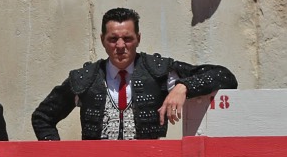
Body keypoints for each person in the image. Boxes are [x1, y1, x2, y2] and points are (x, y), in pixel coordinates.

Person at [32, 7, 238, 140]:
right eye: (113, 39)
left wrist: (184, 87)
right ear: (103, 40)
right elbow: (42, 117)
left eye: (127, 39)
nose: (120, 46)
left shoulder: (158, 71)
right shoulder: (85, 78)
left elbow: (225, 77)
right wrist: (57, 154)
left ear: (138, 39)